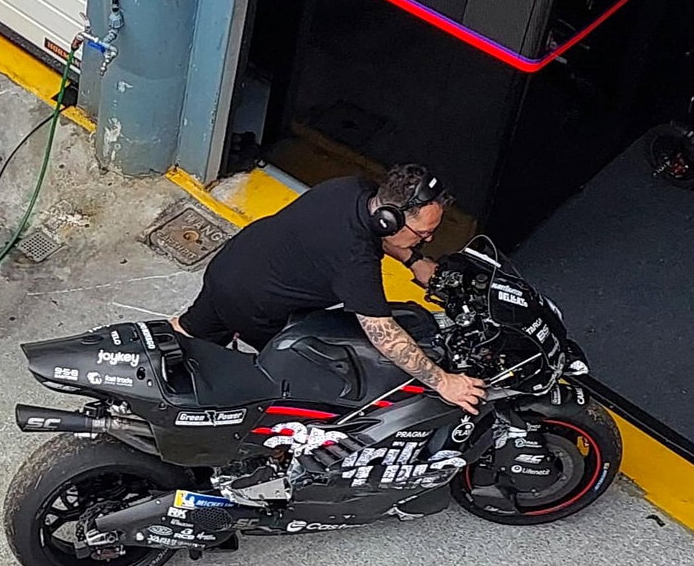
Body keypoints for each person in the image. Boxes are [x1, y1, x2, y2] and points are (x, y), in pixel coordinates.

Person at [172, 163, 487, 414]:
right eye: (423, 233)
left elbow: (378, 236)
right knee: (302, 387)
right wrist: (444, 381)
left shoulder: (354, 188)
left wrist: (414, 260)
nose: (429, 239)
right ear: (389, 222)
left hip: (232, 266)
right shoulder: (355, 260)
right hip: (257, 307)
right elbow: (384, 335)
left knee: (188, 334)